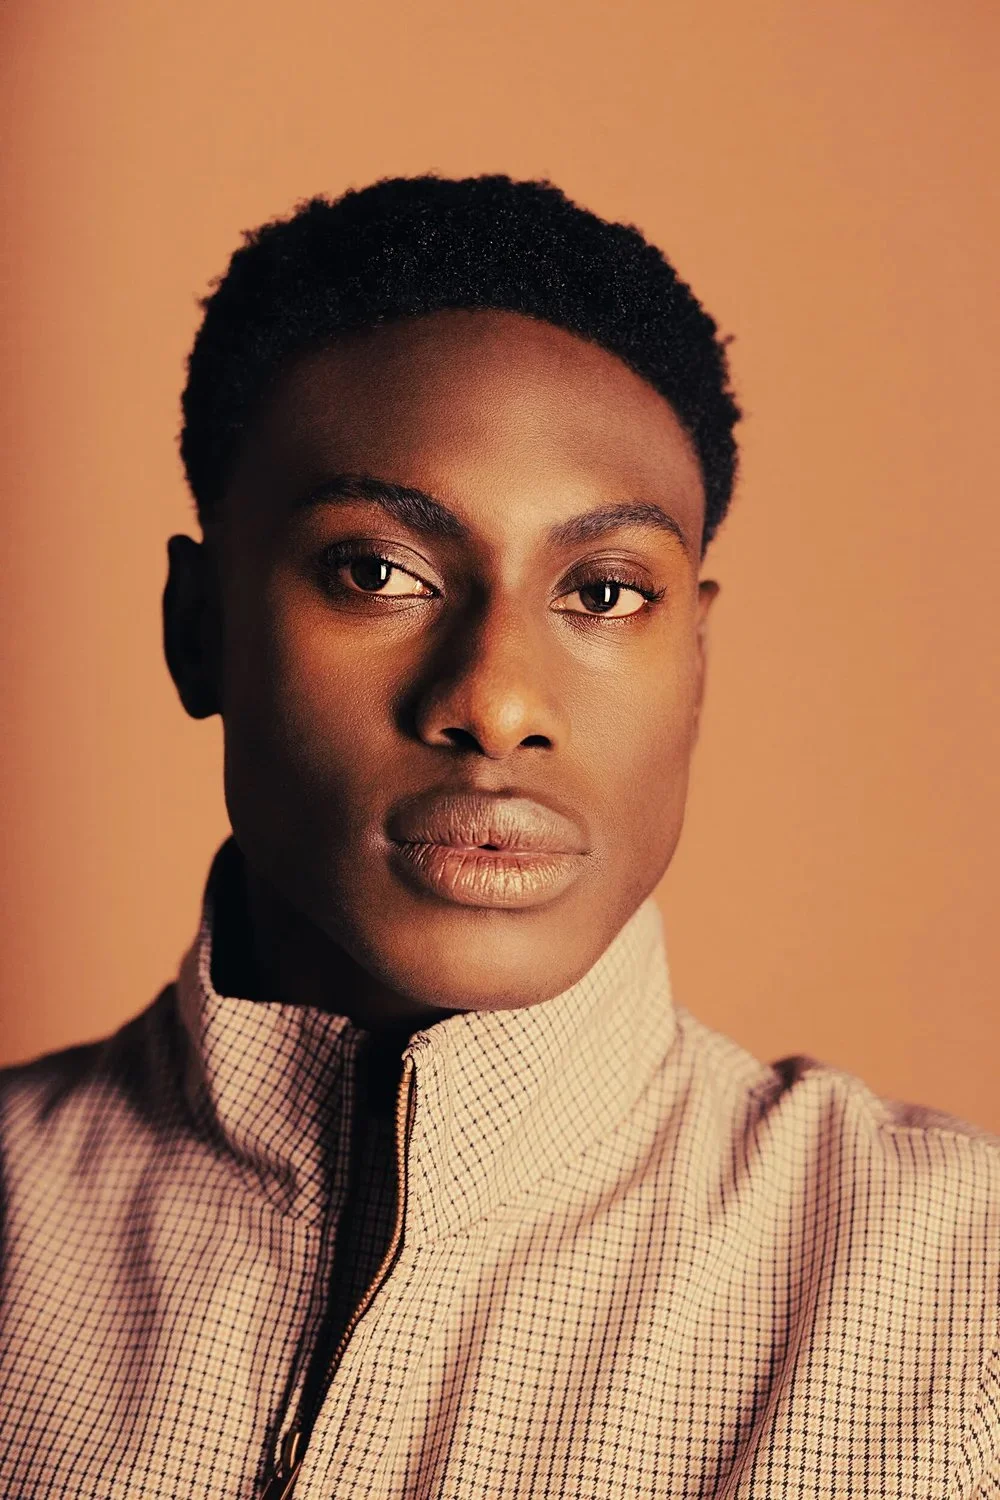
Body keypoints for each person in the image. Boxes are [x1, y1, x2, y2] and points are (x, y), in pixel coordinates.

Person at [0, 174, 996, 1500]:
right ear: (198, 627)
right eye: (377, 572)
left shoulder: (961, 1307)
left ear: (695, 660)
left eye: (602, 591)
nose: (496, 700)